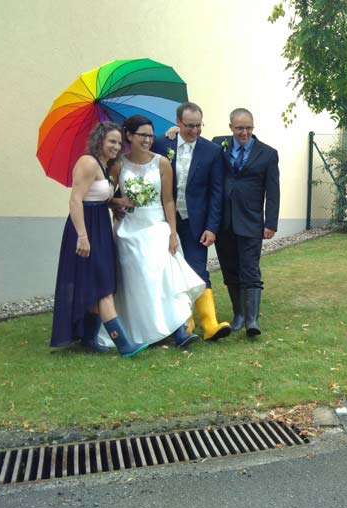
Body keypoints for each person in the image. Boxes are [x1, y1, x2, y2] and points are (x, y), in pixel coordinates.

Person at [99, 114, 205, 349]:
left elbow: (168, 200)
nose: (147, 140)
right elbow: (105, 196)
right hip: (129, 230)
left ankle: (179, 330)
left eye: (150, 135)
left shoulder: (161, 163)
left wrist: (172, 233)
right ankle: (144, 328)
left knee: (167, 275)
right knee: (138, 282)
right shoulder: (118, 164)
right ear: (129, 136)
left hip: (157, 225)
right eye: (142, 135)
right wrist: (117, 203)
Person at [50, 121, 148, 358]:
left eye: (119, 142)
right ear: (100, 141)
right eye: (112, 141)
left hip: (101, 226)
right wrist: (82, 236)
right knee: (102, 283)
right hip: (86, 228)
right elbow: (76, 200)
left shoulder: (105, 166)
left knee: (100, 280)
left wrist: (116, 203)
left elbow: (97, 197)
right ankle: (124, 344)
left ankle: (89, 339)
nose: (116, 146)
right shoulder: (88, 162)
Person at [152, 103, 231, 341]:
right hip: (162, 221)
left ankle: (210, 325)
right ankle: (183, 324)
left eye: (198, 125)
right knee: (170, 271)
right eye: (189, 126)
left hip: (195, 223)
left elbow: (216, 193)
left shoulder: (212, 151)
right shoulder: (161, 144)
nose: (195, 130)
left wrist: (211, 227)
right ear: (178, 122)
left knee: (198, 269)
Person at [211, 108, 280, 336]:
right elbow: (194, 145)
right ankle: (238, 315)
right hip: (223, 220)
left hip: (251, 220)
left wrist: (270, 223)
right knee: (230, 269)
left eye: (249, 128)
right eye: (240, 128)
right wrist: (174, 132)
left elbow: (273, 191)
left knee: (250, 268)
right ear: (230, 127)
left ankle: (252, 320)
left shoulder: (267, 154)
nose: (244, 133)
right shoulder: (217, 144)